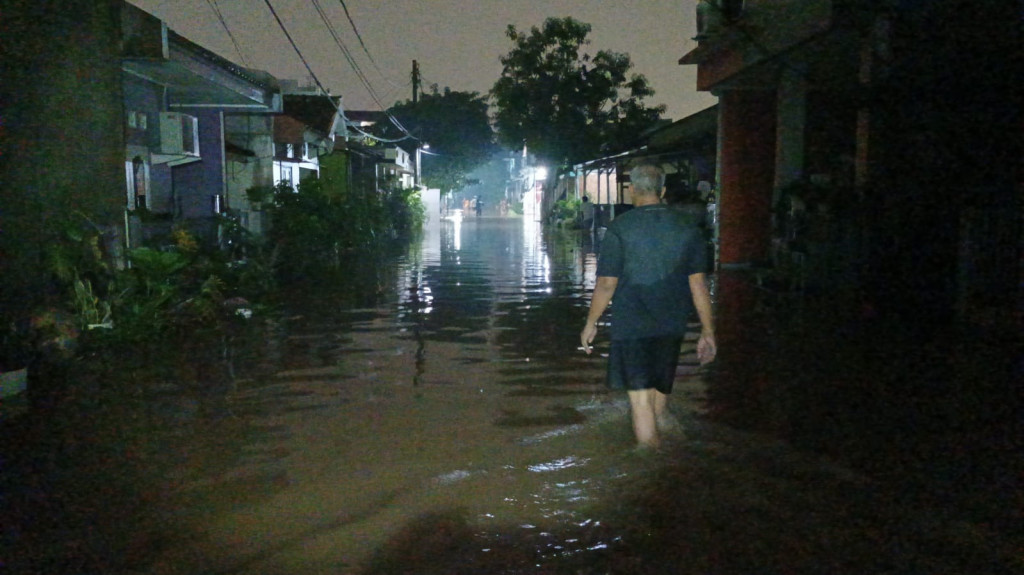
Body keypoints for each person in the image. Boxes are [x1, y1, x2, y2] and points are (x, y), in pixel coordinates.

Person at [580, 162, 716, 450]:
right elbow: (699, 285)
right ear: (663, 190)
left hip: (633, 326)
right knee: (659, 398)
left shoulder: (620, 228)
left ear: (631, 190)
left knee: (640, 400)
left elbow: (606, 283)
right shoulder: (687, 228)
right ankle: (676, 451)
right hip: (672, 325)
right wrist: (708, 330)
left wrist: (591, 322)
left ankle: (651, 463)